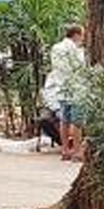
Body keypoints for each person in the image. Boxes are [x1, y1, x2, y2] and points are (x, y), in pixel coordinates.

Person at [42, 25, 86, 161]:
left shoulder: (55, 48)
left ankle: (65, 150)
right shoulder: (74, 48)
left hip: (61, 89)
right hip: (75, 89)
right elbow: (80, 66)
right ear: (77, 35)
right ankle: (78, 152)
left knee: (64, 121)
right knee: (77, 121)